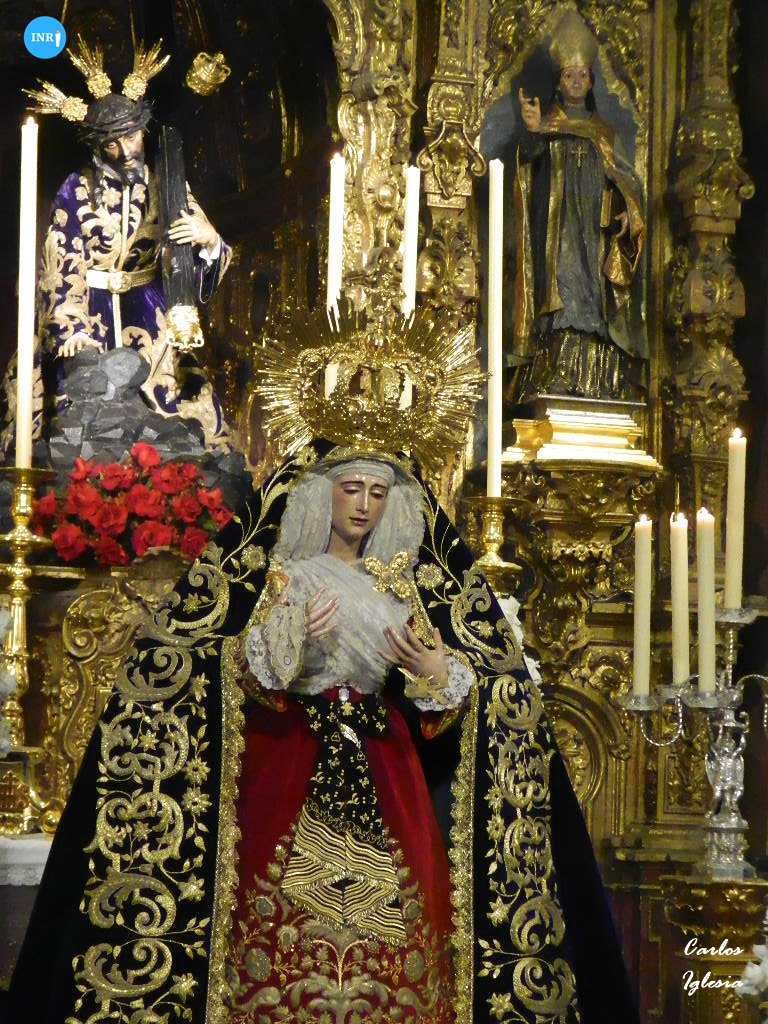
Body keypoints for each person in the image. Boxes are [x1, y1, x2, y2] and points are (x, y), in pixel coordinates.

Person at [4, 436, 639, 1024]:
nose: (363, 505)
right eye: (351, 488)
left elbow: (442, 688)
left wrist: (436, 671)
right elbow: (236, 667)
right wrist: (289, 639)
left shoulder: (400, 586)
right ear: (321, 494)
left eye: (378, 492)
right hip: (292, 753)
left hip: (385, 760)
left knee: (403, 912)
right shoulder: (288, 576)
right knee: (270, 905)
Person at [1, 39, 233, 457]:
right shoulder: (77, 188)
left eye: (131, 137)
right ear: (98, 146)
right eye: (112, 144)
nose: (126, 152)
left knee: (179, 411)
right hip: (88, 311)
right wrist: (70, 328)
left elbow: (191, 255)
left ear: (143, 131)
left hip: (148, 309)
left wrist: (209, 240)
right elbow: (61, 260)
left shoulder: (166, 183)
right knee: (75, 410)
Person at [510, 11, 648, 404]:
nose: (575, 81)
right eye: (569, 75)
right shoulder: (547, 126)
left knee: (594, 297)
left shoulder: (604, 133)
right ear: (559, 81)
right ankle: (558, 368)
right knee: (564, 291)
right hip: (557, 229)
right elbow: (527, 166)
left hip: (595, 229)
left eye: (582, 75)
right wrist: (532, 132)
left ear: (590, 82)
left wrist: (629, 210)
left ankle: (599, 377)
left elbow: (627, 179)